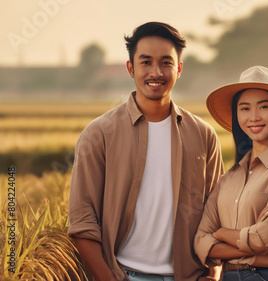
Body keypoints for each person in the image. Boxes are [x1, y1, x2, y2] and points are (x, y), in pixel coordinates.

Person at [68, 22, 224, 281]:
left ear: (179, 69)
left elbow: (216, 213)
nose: (156, 72)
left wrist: (215, 272)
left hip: (189, 276)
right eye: (146, 62)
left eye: (166, 63)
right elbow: (82, 220)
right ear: (131, 68)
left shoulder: (204, 135)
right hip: (126, 274)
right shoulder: (99, 134)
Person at [194, 66, 268, 281]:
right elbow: (201, 241)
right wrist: (251, 242)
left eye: (264, 106)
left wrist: (221, 234)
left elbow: (264, 238)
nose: (254, 117)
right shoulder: (228, 178)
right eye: (245, 108)